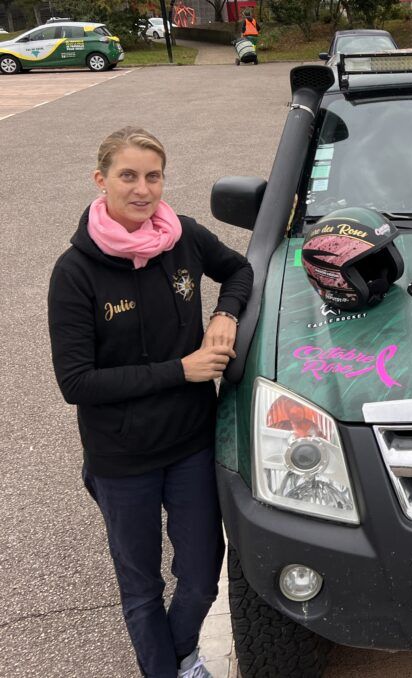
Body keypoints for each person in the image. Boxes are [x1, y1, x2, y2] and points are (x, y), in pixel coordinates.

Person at [48, 127, 253, 677]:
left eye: (153, 176)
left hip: (190, 441)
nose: (143, 190)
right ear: (102, 180)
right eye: (128, 176)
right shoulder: (75, 272)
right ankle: (173, 668)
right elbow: (77, 382)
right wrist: (179, 371)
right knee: (142, 587)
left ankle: (179, 651)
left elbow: (239, 270)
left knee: (202, 573)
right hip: (122, 459)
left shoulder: (182, 236)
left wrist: (223, 316)